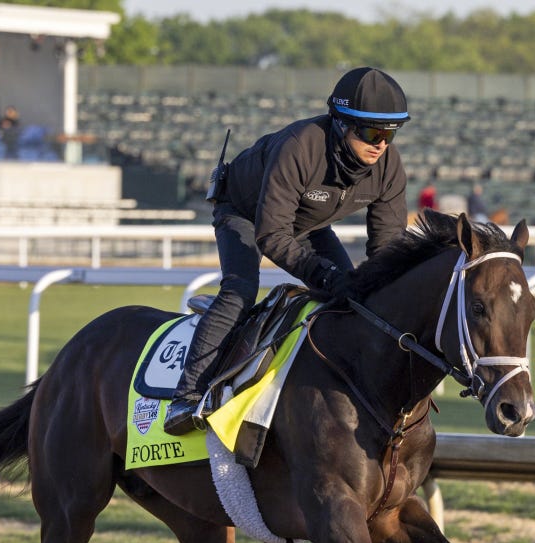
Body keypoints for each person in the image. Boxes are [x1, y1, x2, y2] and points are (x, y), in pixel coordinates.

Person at [164, 66, 411, 435]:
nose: (381, 144)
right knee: (240, 291)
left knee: (354, 299)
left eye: (390, 133)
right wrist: (324, 274)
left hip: (307, 224)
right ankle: (186, 396)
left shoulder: (389, 167)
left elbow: (388, 247)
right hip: (244, 213)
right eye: (372, 132)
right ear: (341, 124)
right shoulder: (299, 147)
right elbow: (271, 234)